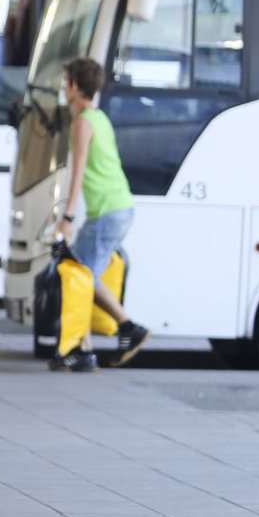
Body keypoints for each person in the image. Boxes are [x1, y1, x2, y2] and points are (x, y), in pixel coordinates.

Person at [54, 56, 149, 372]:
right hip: (117, 206)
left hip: (109, 210)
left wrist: (66, 218)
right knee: (82, 272)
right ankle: (86, 350)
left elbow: (77, 171)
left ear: (76, 87)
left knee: (80, 274)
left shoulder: (83, 123)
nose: (62, 87)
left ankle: (126, 328)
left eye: (66, 81)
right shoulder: (99, 118)